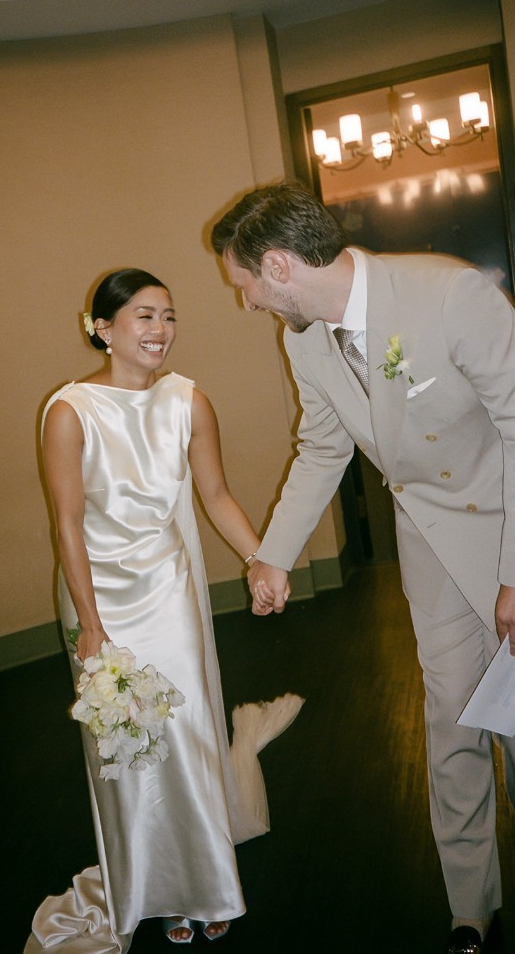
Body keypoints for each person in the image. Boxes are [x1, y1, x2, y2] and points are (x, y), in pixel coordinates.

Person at [210, 182, 515, 954]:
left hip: (508, 530)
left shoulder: (450, 294)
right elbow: (323, 448)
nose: (248, 303)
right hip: (431, 546)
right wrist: (272, 556)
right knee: (451, 720)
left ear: (279, 267)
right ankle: (472, 908)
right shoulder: (304, 339)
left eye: (246, 285)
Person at [28, 268, 298, 953]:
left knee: (186, 730)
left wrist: (259, 559)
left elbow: (216, 495)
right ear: (102, 327)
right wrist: (91, 623)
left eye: (169, 315)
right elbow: (66, 525)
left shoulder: (189, 401)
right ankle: (153, 886)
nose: (160, 329)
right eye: (144, 315)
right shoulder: (69, 411)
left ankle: (207, 882)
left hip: (169, 590)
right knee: (124, 747)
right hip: (98, 598)